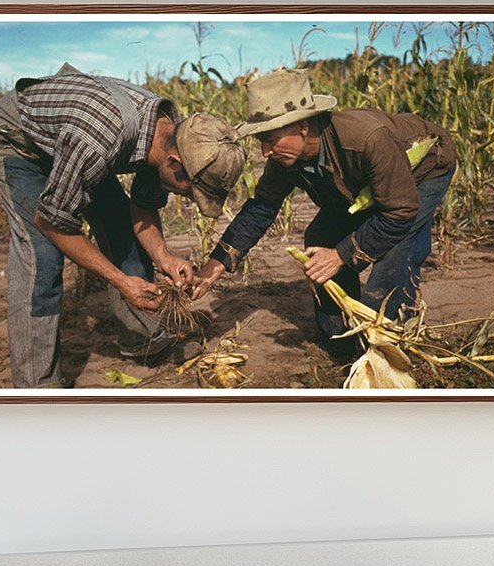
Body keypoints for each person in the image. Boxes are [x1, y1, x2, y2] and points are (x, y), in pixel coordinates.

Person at [0, 63, 245, 388]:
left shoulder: (171, 138)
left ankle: (139, 340)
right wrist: (121, 281)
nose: (188, 197)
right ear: (173, 163)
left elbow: (142, 209)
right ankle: (37, 385)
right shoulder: (98, 139)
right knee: (42, 256)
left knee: (122, 231)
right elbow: (52, 222)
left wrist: (164, 258)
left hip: (76, 147)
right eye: (191, 189)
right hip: (21, 146)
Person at [192, 67, 457, 358]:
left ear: (303, 127)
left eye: (270, 139)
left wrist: (342, 254)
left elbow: (399, 212)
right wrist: (216, 264)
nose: (265, 151)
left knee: (394, 252)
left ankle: (389, 341)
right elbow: (261, 208)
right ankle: (337, 336)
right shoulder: (283, 160)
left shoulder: (367, 140)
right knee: (320, 236)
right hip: (363, 187)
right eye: (260, 142)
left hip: (424, 171)